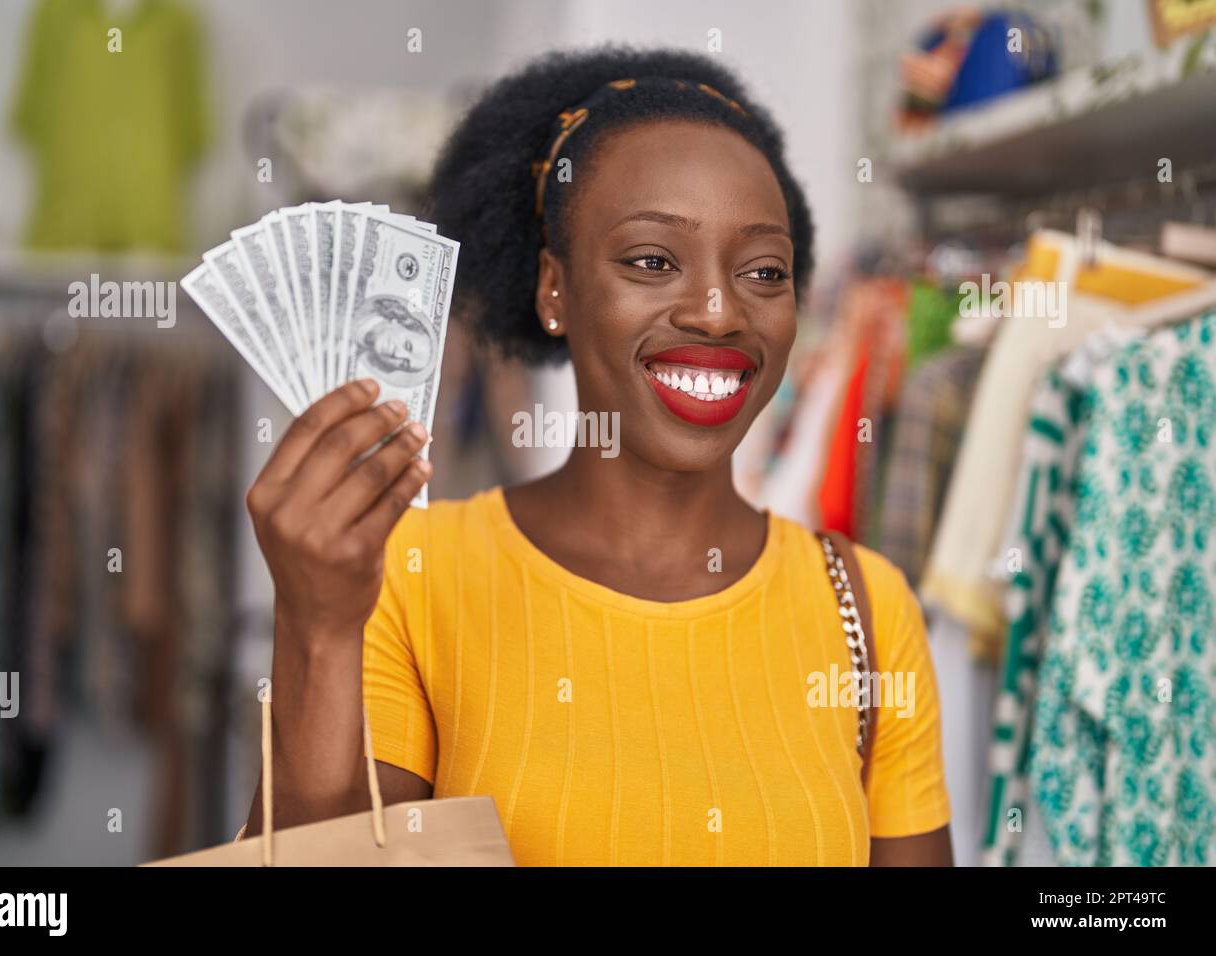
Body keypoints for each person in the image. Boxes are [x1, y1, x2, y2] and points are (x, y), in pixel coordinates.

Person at [242, 46, 953, 866]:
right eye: (653, 261)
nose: (719, 313)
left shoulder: (866, 611)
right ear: (555, 289)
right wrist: (317, 632)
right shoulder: (412, 575)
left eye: (763, 270)